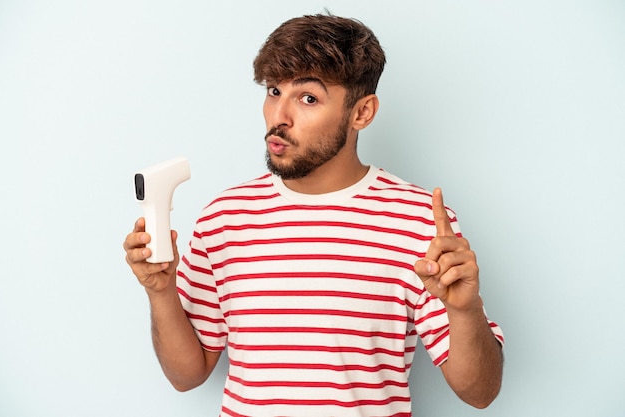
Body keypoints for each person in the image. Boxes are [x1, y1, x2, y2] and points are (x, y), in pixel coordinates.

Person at [124, 13, 504, 417]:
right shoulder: (225, 217)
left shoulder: (419, 221)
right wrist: (161, 293)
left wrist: (465, 310)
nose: (279, 117)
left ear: (362, 113)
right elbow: (187, 375)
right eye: (273, 91)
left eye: (308, 98)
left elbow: (479, 393)